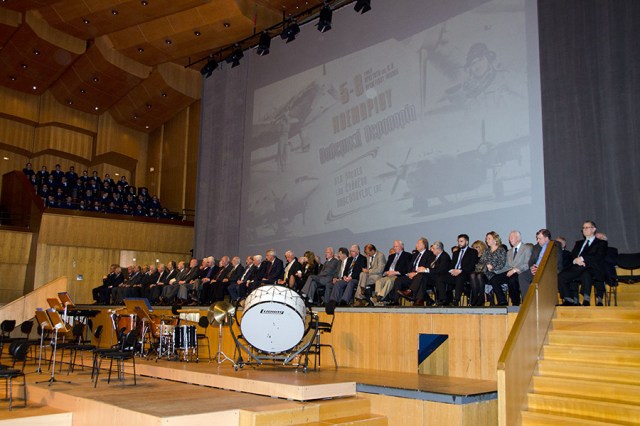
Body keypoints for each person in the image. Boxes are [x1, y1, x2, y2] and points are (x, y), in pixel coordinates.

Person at [557, 220, 608, 306]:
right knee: (560, 276)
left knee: (585, 272)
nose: (584, 229)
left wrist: (582, 259)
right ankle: (568, 300)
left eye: (587, 227)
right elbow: (572, 256)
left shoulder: (601, 243)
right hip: (577, 267)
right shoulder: (579, 243)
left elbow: (598, 256)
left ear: (594, 229)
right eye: (583, 228)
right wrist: (575, 260)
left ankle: (586, 299)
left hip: (592, 267)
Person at [518, 229, 564, 299]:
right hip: (536, 270)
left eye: (540, 238)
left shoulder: (555, 245)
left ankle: (545, 300)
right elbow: (531, 261)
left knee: (544, 277)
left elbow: (557, 262)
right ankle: (528, 300)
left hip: (549, 270)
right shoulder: (536, 247)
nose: (538, 240)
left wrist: (541, 269)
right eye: (537, 238)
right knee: (522, 276)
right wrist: (532, 267)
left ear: (546, 238)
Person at [490, 231, 532, 306]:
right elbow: (507, 266)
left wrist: (515, 270)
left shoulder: (526, 248)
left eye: (512, 237)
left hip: (521, 272)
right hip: (510, 272)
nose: (510, 239)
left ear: (518, 238)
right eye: (509, 238)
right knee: (494, 279)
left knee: (512, 280)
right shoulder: (509, 252)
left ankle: (515, 302)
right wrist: (495, 270)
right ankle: (502, 301)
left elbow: (527, 264)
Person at [468, 232, 506, 306]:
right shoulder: (486, 251)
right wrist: (484, 266)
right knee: (473, 275)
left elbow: (502, 264)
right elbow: (480, 262)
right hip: (485, 272)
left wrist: (492, 267)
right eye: (486, 239)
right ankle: (476, 296)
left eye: (489, 238)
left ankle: (481, 297)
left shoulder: (501, 250)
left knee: (480, 276)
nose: (487, 240)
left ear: (495, 239)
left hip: (495, 274)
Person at [371, 241, 412, 305]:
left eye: (396, 246)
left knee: (389, 281)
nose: (394, 248)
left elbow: (407, 269)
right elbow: (386, 268)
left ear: (401, 247)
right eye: (394, 246)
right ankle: (379, 299)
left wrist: (396, 272)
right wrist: (386, 272)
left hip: (398, 276)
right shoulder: (391, 256)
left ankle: (379, 298)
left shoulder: (407, 255)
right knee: (379, 281)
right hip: (388, 275)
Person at [442, 234, 478, 306]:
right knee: (441, 277)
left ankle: (456, 300)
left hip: (465, 273)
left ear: (467, 242)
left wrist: (460, 271)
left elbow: (471, 265)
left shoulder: (472, 252)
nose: (459, 243)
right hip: (454, 272)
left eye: (461, 241)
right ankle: (444, 299)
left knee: (460, 277)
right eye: (458, 241)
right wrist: (452, 271)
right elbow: (452, 264)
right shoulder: (455, 253)